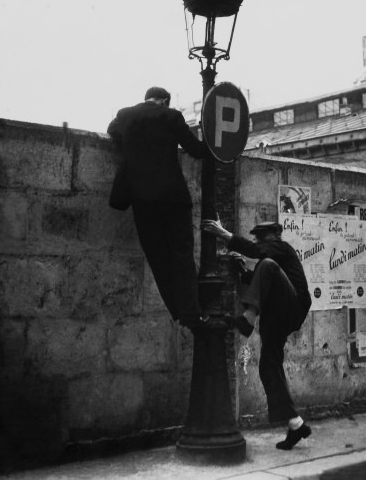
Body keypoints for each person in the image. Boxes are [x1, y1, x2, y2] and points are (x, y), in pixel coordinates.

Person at [201, 218, 312, 450]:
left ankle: (247, 319)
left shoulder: (281, 248)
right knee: (268, 367)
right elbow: (257, 281)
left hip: (293, 307)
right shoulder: (269, 262)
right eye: (257, 237)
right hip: (278, 316)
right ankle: (296, 425)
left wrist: (225, 234)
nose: (257, 240)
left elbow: (256, 252)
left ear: (273, 235)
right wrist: (241, 268)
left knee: (267, 264)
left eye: (261, 236)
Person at [107, 86, 209, 330]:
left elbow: (112, 131)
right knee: (182, 255)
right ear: (164, 100)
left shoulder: (126, 114)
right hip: (172, 196)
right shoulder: (171, 116)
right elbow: (195, 150)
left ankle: (178, 313)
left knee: (158, 257)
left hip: (142, 198)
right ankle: (192, 313)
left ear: (146, 99)